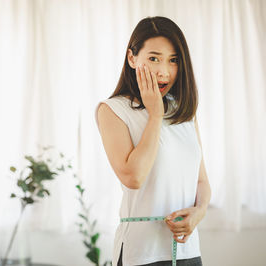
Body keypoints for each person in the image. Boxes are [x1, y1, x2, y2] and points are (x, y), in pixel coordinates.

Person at [95, 16, 211, 266]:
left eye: (173, 60)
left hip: (188, 251)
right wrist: (155, 113)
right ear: (132, 58)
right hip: (142, 254)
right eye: (154, 58)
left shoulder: (184, 111)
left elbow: (200, 180)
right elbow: (133, 177)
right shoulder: (113, 110)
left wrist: (198, 213)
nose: (164, 71)